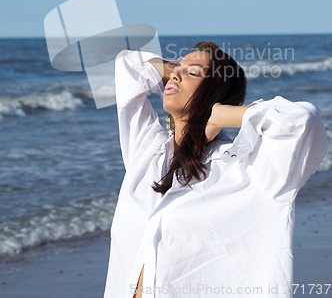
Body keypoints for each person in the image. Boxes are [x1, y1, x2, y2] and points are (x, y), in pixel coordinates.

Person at [102, 41, 327, 298]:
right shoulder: (147, 151)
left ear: (215, 94)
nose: (175, 74)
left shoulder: (247, 170)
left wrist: (222, 114)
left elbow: (302, 120)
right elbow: (128, 64)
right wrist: (182, 70)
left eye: (194, 72)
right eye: (176, 67)